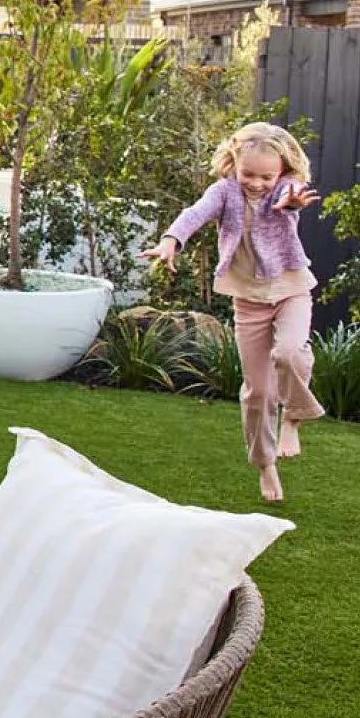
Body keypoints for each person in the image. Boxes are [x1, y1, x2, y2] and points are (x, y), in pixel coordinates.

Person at [143, 121, 323, 504]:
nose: (257, 183)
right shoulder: (224, 191)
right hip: (248, 299)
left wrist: (290, 201)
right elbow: (195, 213)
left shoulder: (285, 188)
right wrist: (171, 240)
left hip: (291, 290)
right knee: (257, 391)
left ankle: (294, 416)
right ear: (234, 164)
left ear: (281, 170)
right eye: (249, 174)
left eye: (266, 176)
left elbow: (289, 197)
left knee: (290, 353)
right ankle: (265, 464)